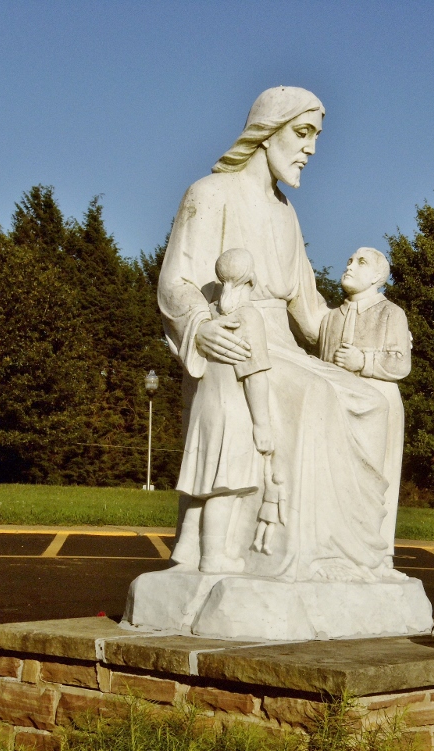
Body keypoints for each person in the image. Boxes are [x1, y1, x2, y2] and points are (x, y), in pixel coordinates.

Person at [159, 86, 391, 583]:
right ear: (267, 133)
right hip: (240, 347)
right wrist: (202, 328)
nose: (310, 149)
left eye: (316, 137)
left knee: (371, 399)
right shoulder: (210, 194)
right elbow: (176, 282)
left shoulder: (286, 213)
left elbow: (310, 313)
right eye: (302, 133)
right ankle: (295, 556)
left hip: (282, 346)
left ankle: (357, 555)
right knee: (316, 396)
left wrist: (368, 316)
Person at [177, 247, 274, 573]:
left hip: (204, 410)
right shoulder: (248, 317)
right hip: (232, 412)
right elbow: (255, 375)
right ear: (251, 278)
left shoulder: (209, 315)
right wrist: (262, 425)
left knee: (202, 487)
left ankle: (185, 550)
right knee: (225, 487)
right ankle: (213, 556)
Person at [319, 247, 411, 568]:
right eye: (349, 260)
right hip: (337, 407)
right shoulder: (331, 318)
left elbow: (401, 364)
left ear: (377, 277)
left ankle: (378, 553)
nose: (350, 266)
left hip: (379, 405)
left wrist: (363, 361)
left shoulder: (391, 313)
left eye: (361, 262)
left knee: (376, 479)